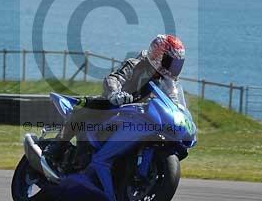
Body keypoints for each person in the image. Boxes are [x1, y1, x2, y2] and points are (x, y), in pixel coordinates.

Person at [42, 34, 186, 171]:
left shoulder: (168, 83)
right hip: (115, 107)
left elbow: (172, 101)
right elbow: (114, 78)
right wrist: (115, 93)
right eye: (170, 62)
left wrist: (181, 113)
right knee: (84, 108)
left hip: (140, 117)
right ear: (157, 54)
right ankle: (55, 148)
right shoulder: (136, 65)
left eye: (177, 64)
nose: (173, 68)